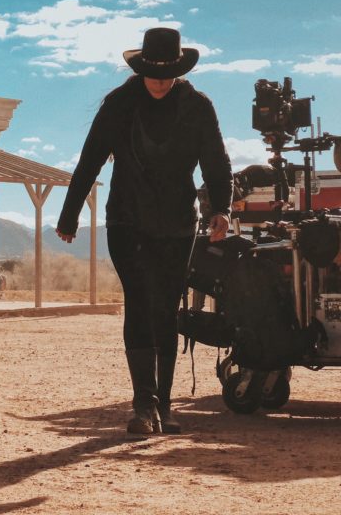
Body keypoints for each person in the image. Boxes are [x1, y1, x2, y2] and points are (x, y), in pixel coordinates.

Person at [56, 27, 232, 435]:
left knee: (165, 308)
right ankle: (142, 406)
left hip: (177, 222)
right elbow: (90, 160)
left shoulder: (198, 106)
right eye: (152, 72)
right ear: (141, 69)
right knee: (139, 299)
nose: (158, 81)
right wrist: (69, 216)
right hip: (126, 218)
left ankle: (164, 406)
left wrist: (220, 209)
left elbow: (216, 162)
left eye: (166, 73)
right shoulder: (119, 104)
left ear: (178, 70)